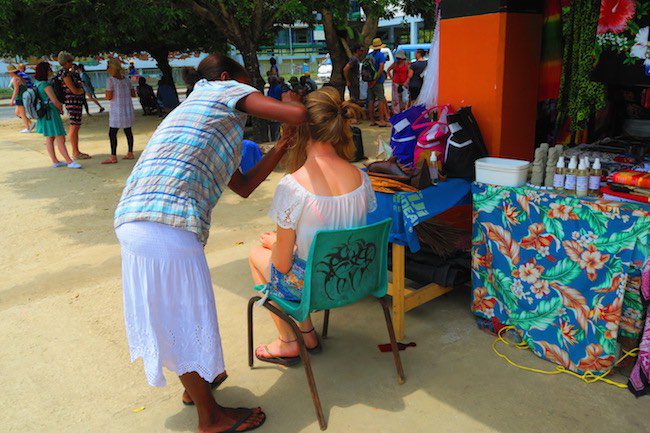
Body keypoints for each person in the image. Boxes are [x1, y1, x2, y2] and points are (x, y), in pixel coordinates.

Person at [114, 53, 307, 433]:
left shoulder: (207, 119)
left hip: (140, 220)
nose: (252, 91)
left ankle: (196, 389)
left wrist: (282, 148)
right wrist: (292, 101)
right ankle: (211, 418)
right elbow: (298, 116)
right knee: (185, 320)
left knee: (178, 316)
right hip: (165, 226)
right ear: (225, 77)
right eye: (248, 82)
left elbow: (244, 186)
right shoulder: (220, 90)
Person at [248, 87, 376, 365]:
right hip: (354, 278)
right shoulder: (361, 177)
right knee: (294, 257)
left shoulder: (294, 186)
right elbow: (339, 233)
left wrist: (274, 245)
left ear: (300, 129)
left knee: (257, 256)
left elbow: (282, 265)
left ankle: (287, 341)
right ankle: (306, 332)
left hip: (315, 287)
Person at [33, 62, 81, 169]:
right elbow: (55, 101)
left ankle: (55, 161)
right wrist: (60, 108)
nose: (50, 71)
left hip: (43, 113)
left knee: (50, 138)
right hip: (51, 113)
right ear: (45, 71)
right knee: (60, 137)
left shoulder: (37, 83)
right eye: (49, 69)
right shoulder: (46, 85)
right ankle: (69, 161)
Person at [57, 51, 89, 160]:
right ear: (66, 62)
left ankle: (76, 151)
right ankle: (75, 152)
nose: (72, 63)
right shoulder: (65, 73)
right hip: (72, 102)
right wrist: (81, 90)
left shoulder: (66, 72)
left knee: (75, 125)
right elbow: (74, 90)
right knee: (74, 126)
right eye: (70, 61)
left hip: (73, 102)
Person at [103, 59, 136, 164]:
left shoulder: (110, 80)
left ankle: (113, 156)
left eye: (108, 67)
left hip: (117, 110)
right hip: (127, 109)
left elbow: (108, 97)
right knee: (128, 131)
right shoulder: (127, 80)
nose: (107, 69)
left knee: (112, 133)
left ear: (113, 68)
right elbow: (133, 94)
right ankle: (130, 152)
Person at [366, 38, 390, 127]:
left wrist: (370, 81)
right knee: (380, 100)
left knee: (371, 100)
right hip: (378, 81)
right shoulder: (380, 55)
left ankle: (372, 120)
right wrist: (376, 79)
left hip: (369, 81)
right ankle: (381, 120)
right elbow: (381, 68)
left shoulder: (368, 55)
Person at [7, 65, 33, 133]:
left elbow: (16, 90)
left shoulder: (15, 78)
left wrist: (12, 100)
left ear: (12, 72)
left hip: (19, 97)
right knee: (18, 112)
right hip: (22, 97)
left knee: (22, 114)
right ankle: (30, 123)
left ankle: (28, 128)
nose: (8, 74)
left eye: (9, 73)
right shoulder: (20, 77)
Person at [387, 50, 409, 115]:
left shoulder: (406, 64)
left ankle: (404, 111)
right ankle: (396, 112)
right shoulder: (395, 64)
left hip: (404, 83)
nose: (399, 60)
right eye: (398, 58)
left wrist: (407, 81)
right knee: (396, 99)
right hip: (396, 83)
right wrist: (392, 78)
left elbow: (409, 74)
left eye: (400, 58)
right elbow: (388, 70)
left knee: (404, 99)